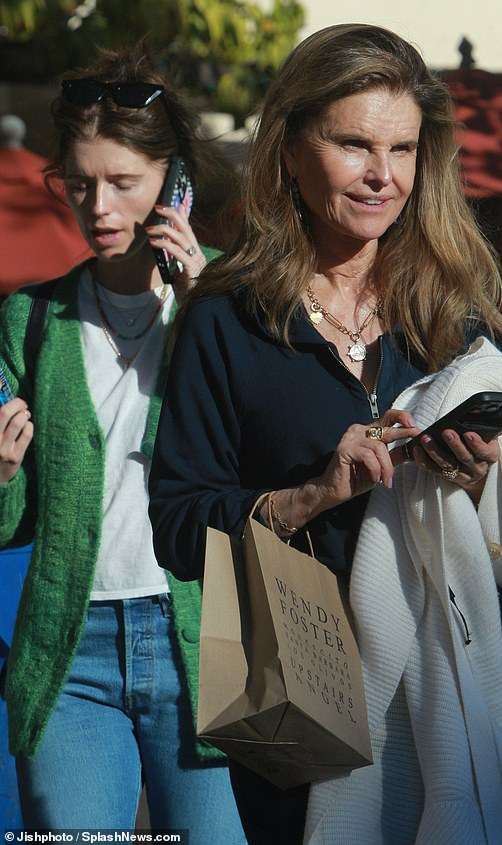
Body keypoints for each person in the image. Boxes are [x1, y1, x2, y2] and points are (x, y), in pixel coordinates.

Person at [148, 23, 502, 845]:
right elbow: (178, 523)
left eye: (402, 150)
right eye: (355, 144)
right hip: (307, 716)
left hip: (456, 707)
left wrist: (480, 475)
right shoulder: (225, 317)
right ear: (291, 149)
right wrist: (310, 495)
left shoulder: (454, 311)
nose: (383, 176)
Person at [0, 47, 245, 841]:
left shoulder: (231, 306)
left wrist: (201, 305)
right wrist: (1, 472)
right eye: (80, 183)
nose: (99, 206)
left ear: (175, 182)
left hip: (210, 645)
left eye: (124, 183)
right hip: (71, 659)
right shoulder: (29, 319)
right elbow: (12, 523)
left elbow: (266, 460)